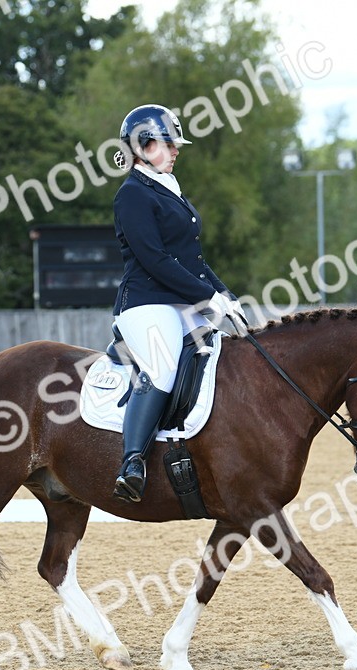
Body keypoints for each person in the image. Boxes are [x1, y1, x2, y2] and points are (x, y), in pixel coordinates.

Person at [109, 103, 247, 503]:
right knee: (165, 364)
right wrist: (207, 298)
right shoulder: (132, 194)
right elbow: (155, 260)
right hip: (146, 304)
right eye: (169, 145)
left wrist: (225, 296)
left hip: (180, 302)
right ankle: (132, 462)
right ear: (144, 145)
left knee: (220, 354)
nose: (176, 151)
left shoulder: (170, 189)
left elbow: (193, 260)